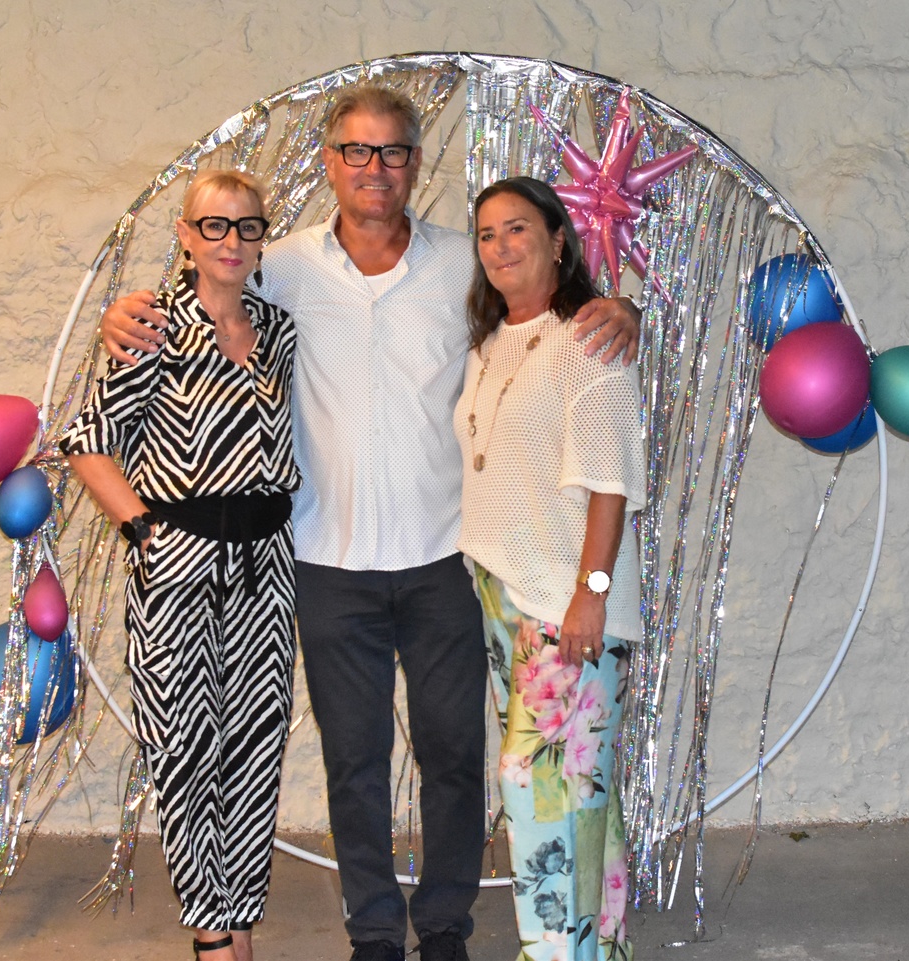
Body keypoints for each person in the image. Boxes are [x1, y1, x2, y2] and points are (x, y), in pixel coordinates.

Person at [99, 85, 641, 961]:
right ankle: (376, 932)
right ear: (330, 162)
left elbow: (545, 310)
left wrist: (623, 309)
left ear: (415, 163)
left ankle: (445, 927)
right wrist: (129, 310)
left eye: (392, 151)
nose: (374, 167)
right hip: (326, 562)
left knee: (454, 757)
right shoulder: (283, 267)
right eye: (356, 150)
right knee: (353, 764)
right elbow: (209, 284)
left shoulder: (464, 263)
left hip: (443, 561)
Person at [61, 169, 299, 961]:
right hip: (179, 563)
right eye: (214, 226)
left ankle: (240, 919)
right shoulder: (155, 327)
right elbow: (89, 441)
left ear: (262, 238)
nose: (231, 241)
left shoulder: (278, 330)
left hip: (266, 564)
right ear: (187, 236)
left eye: (247, 226)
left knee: (254, 746)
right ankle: (210, 932)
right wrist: (142, 530)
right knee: (184, 745)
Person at [453, 176, 646, 961]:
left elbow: (610, 484)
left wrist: (590, 594)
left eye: (518, 228)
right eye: (487, 233)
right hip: (504, 597)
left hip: (566, 603)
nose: (500, 246)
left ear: (558, 239)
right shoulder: (490, 343)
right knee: (576, 788)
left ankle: (554, 954)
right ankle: (598, 949)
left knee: (534, 785)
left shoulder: (589, 339)